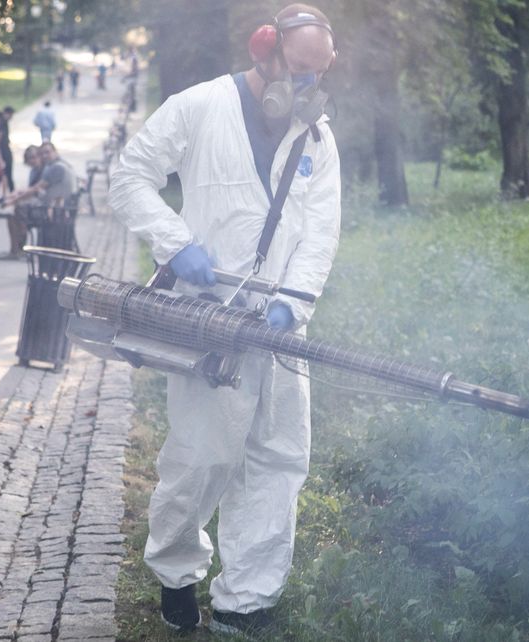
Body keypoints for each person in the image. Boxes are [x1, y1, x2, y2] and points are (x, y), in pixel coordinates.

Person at [108, 4, 340, 637]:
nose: (305, 89)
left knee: (277, 457)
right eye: (297, 71)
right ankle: (177, 576)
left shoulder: (316, 135)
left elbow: (320, 232)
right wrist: (176, 242)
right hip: (206, 318)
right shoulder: (199, 107)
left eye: (317, 76)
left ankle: (247, 598)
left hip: (280, 324)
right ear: (264, 51)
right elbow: (129, 179)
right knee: (203, 457)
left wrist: (293, 301)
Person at [0, 142, 75, 259]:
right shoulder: (58, 165)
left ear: (55, 151)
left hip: (53, 213)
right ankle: (17, 250)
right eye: (42, 153)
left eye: (47, 152)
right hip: (57, 210)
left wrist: (12, 201)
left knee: (16, 212)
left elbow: (36, 189)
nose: (45, 156)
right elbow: (35, 189)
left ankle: (17, 250)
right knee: (16, 210)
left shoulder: (56, 168)